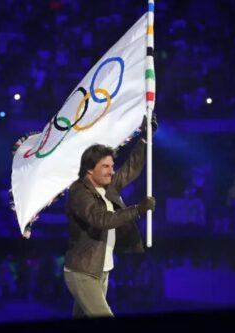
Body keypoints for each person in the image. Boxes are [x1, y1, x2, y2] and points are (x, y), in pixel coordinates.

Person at [63, 115, 157, 318]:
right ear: (89, 169)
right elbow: (101, 219)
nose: (111, 171)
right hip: (82, 273)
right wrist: (138, 209)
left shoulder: (108, 186)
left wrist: (145, 139)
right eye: (105, 166)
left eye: (111, 166)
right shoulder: (79, 193)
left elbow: (131, 168)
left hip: (101, 271)